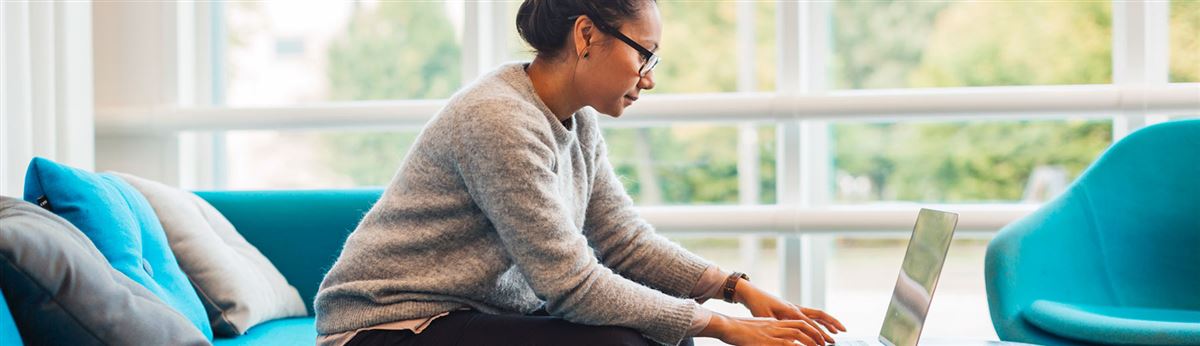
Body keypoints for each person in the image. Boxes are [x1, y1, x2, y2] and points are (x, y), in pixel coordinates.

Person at [314, 0, 846, 345]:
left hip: (463, 314)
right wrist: (721, 325)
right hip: (388, 325)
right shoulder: (498, 118)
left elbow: (624, 241)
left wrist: (734, 289)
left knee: (654, 332)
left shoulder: (577, 121)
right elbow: (572, 286)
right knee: (629, 340)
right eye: (646, 55)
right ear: (587, 35)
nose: (649, 78)